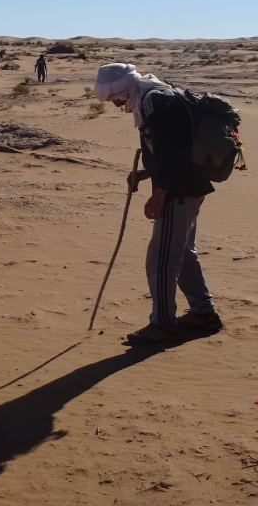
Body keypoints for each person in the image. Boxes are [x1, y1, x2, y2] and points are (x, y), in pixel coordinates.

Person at [94, 63, 222, 344]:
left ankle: (163, 325)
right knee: (183, 253)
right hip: (186, 186)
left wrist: (159, 193)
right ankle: (203, 313)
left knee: (162, 258)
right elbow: (168, 150)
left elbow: (175, 153)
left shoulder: (156, 102)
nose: (115, 103)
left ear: (122, 87)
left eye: (114, 96)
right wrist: (145, 172)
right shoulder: (151, 97)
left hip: (179, 191)